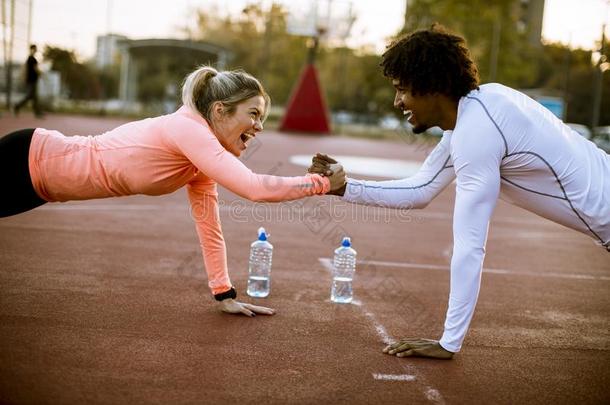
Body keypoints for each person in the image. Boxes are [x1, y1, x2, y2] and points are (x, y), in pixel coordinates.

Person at [309, 24, 610, 360]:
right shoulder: (481, 109)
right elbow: (420, 189)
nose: (397, 101)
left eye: (402, 89)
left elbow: (469, 246)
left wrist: (448, 341)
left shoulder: (475, 132)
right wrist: (345, 188)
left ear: (432, 87)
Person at [0, 65, 346, 316]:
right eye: (253, 114)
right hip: (26, 157)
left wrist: (223, 293)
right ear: (219, 111)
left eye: (263, 118)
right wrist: (321, 183)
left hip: (39, 187)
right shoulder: (187, 128)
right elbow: (253, 187)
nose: (259, 126)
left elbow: (210, 228)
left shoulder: (199, 160)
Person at [14, 44, 43, 118]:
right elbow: (35, 69)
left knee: (34, 97)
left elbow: (26, 69)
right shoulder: (32, 59)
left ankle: (37, 113)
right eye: (35, 49)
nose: (36, 50)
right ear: (32, 49)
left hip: (31, 80)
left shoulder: (29, 58)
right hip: (32, 81)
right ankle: (17, 106)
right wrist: (41, 74)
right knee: (30, 96)